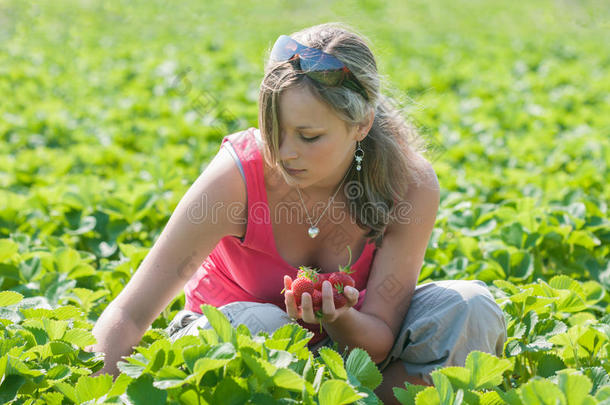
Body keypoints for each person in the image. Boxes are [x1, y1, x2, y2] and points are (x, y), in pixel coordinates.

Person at [86, 22, 506, 404]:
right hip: (235, 367)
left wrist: (339, 317)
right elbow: (131, 312)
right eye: (274, 130)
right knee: (267, 325)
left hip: (354, 370)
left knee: (470, 308)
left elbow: (378, 339)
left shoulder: (408, 183)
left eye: (309, 136)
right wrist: (91, 395)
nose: (284, 153)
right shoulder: (236, 177)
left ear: (362, 125)